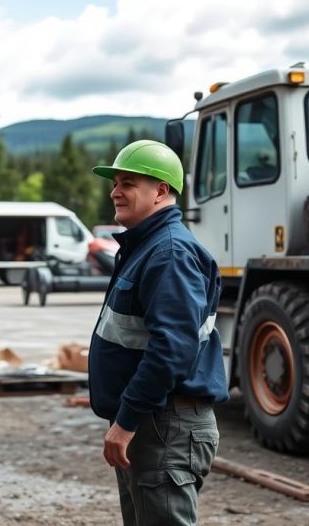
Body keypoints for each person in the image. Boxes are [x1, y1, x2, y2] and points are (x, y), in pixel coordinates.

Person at [87, 140, 228, 526]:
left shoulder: (169, 253)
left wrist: (126, 421)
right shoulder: (146, 246)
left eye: (128, 182)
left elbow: (172, 350)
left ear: (161, 191)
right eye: (115, 182)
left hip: (165, 427)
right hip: (153, 424)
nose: (115, 191)